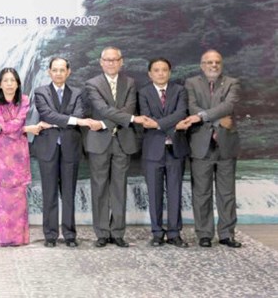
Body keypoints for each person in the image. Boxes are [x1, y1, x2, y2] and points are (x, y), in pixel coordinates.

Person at [31, 57, 100, 248]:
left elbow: (78, 115)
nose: (59, 73)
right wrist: (69, 120)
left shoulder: (77, 93)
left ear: (68, 72)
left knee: (69, 193)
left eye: (62, 70)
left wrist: (56, 122)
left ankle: (70, 234)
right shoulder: (40, 92)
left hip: (70, 147)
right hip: (48, 148)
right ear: (49, 72)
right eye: (55, 70)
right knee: (49, 193)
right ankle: (50, 235)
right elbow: (47, 113)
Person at [84, 47, 147, 248]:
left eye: (115, 60)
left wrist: (104, 123)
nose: (111, 63)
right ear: (101, 62)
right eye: (107, 60)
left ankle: (118, 232)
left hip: (122, 142)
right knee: (99, 188)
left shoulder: (129, 83)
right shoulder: (92, 84)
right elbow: (102, 109)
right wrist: (129, 119)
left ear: (121, 62)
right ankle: (102, 233)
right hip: (99, 142)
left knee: (119, 188)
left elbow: (128, 110)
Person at [179, 50, 242, 248]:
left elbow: (228, 106)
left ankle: (226, 234)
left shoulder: (233, 83)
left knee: (227, 193)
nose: (213, 65)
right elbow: (191, 107)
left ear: (221, 64)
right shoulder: (191, 83)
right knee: (201, 193)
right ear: (201, 64)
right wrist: (215, 118)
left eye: (217, 62)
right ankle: (204, 234)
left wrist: (202, 117)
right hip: (200, 144)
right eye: (209, 62)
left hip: (226, 145)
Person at [0, 67, 43, 247]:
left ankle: (18, 237)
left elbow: (12, 125)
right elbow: (5, 126)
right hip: (1, 153)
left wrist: (15, 127)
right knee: (2, 194)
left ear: (18, 83)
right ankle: (1, 236)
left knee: (18, 194)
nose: (9, 84)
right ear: (0, 85)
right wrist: (25, 129)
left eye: (12, 80)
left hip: (19, 152)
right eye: (6, 80)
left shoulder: (25, 100)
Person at [138, 58, 190, 248]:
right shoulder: (143, 92)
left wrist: (159, 124)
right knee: (154, 193)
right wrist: (173, 126)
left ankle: (175, 233)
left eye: (164, 70)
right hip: (152, 150)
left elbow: (181, 112)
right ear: (150, 73)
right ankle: (157, 233)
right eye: (156, 70)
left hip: (176, 149)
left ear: (170, 72)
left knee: (175, 192)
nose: (161, 73)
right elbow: (146, 117)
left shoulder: (179, 90)